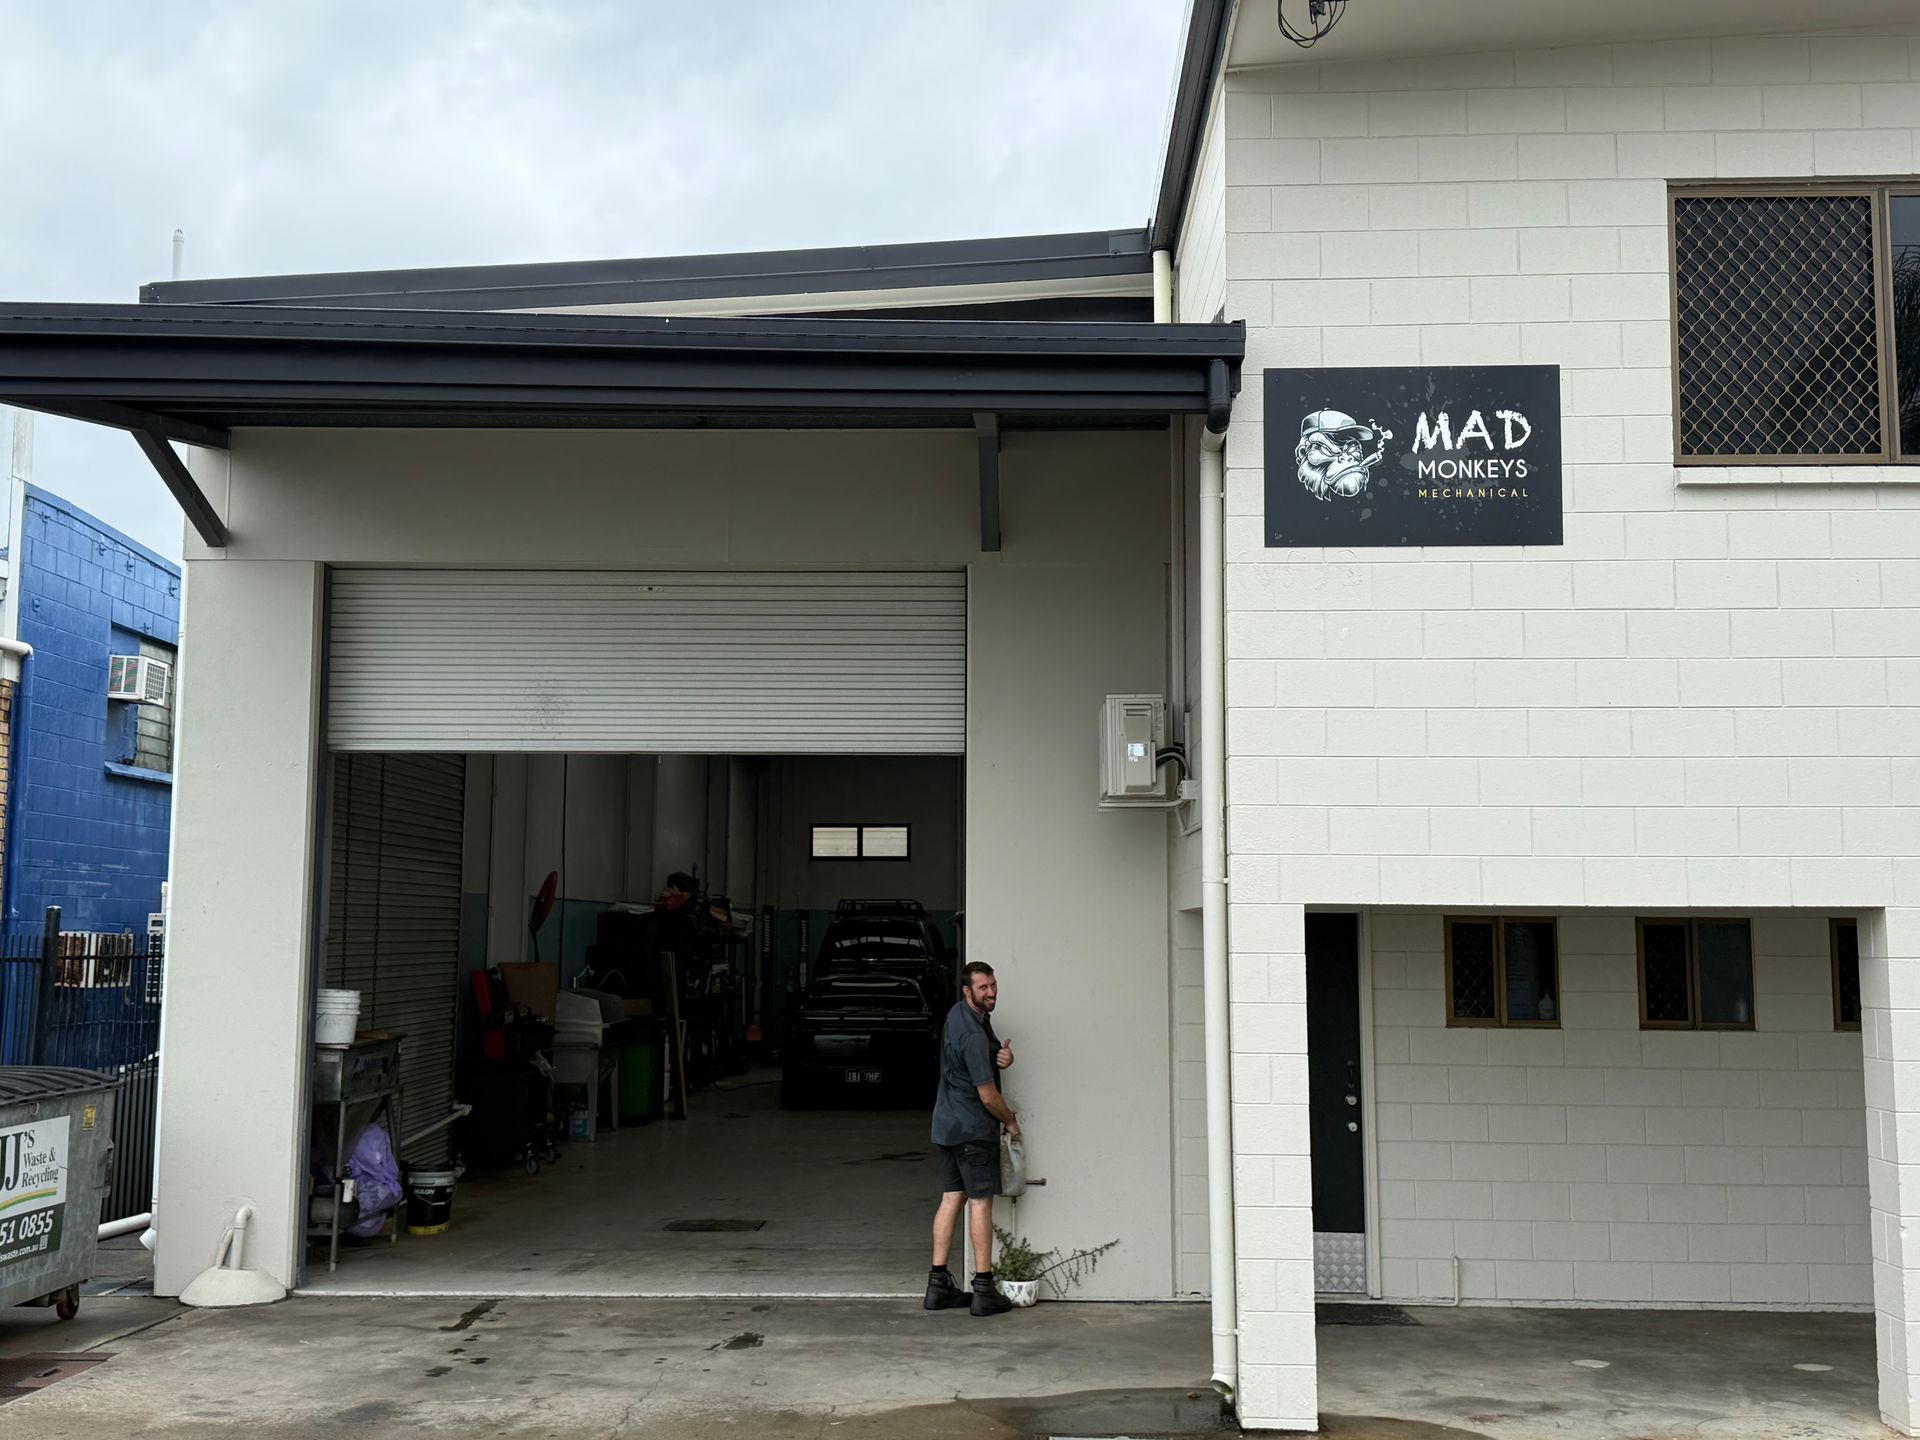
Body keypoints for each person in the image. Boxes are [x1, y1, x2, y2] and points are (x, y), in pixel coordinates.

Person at [924, 960, 1018, 1316]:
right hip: (972, 1130)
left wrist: (1002, 1056)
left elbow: (976, 1059)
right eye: (983, 988)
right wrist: (1010, 1122)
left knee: (951, 1199)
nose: (991, 991)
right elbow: (988, 1096)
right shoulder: (973, 1035)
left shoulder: (958, 1015)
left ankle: (938, 1286)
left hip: (947, 1126)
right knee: (980, 1203)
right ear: (968, 991)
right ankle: (983, 1288)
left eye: (993, 984)